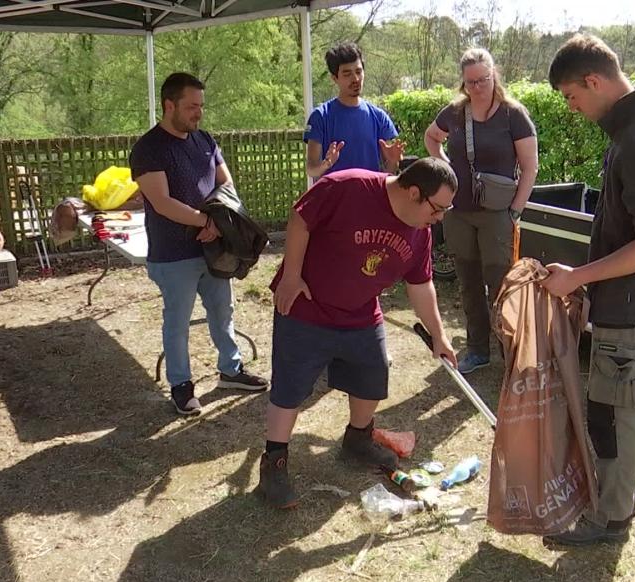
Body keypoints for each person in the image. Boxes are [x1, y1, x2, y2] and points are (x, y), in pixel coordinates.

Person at [541, 34, 635, 546]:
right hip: (627, 298)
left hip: (634, 303)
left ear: (594, 80)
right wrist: (585, 278)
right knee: (615, 408)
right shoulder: (632, 132)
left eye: (570, 96)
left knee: (617, 412)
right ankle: (618, 499)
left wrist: (578, 278)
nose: (572, 106)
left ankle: (611, 518)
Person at [258, 158, 458, 509]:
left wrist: (439, 335)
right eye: (438, 208)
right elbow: (300, 218)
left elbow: (421, 283)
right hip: (307, 305)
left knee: (373, 373)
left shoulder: (420, 231)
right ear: (414, 193)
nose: (440, 218)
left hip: (360, 313)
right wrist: (291, 275)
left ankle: (357, 440)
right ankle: (274, 463)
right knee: (291, 387)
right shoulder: (347, 186)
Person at [130, 72, 269, 417]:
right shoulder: (148, 149)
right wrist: (206, 221)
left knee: (223, 312)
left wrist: (218, 223)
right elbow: (161, 202)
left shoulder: (205, 140)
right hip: (174, 254)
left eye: (201, 106)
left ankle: (231, 371)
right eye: (192, 106)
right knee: (177, 322)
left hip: (214, 249)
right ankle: (181, 385)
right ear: (169, 105)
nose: (199, 113)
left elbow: (227, 185)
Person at [423, 48, 539, 375]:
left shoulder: (513, 115)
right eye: (471, 82)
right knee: (468, 281)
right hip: (459, 212)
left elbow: (530, 168)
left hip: (498, 214)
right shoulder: (456, 112)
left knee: (501, 285)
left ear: (494, 75)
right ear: (463, 81)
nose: (477, 87)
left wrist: (515, 211)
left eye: (483, 79)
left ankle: (512, 353)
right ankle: (477, 350)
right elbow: (432, 138)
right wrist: (446, 169)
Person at [304, 42, 405, 179]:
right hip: (334, 199)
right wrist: (326, 164)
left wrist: (393, 161)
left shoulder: (379, 117)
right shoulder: (320, 116)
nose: (355, 79)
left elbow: (388, 175)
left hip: (369, 198)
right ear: (335, 78)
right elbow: (311, 169)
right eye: (347, 74)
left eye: (358, 72)